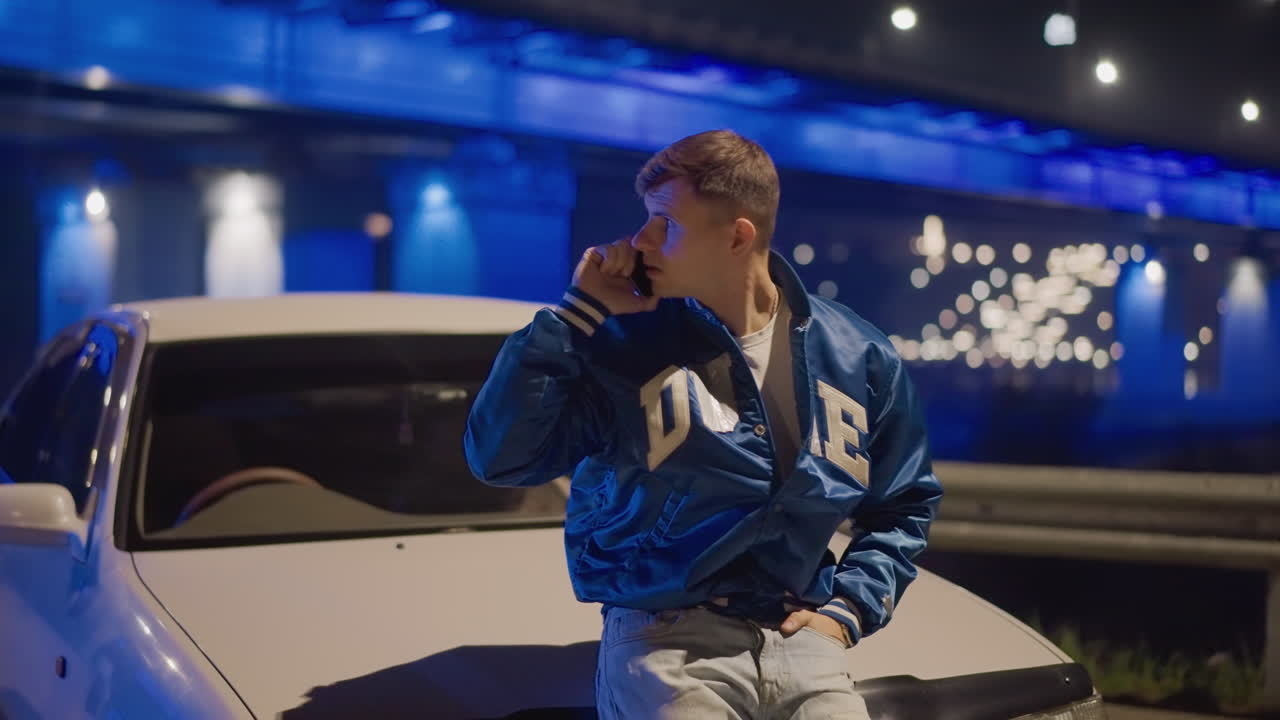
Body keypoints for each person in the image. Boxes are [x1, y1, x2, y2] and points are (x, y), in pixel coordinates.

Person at [465, 129, 942, 719]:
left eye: (666, 222)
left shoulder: (857, 354)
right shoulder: (626, 343)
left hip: (805, 644)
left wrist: (848, 611)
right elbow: (502, 459)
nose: (641, 240)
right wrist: (574, 316)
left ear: (738, 237)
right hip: (666, 643)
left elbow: (904, 504)